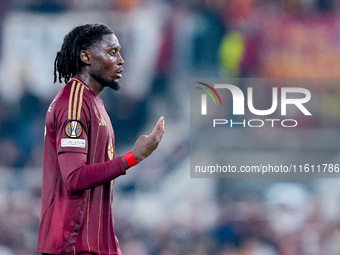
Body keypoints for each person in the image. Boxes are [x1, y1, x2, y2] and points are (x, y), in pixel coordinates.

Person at [37, 23, 165, 255]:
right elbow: (74, 178)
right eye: (112, 52)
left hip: (90, 243)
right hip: (73, 244)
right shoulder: (74, 104)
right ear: (86, 57)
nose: (121, 60)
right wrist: (133, 157)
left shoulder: (94, 102)